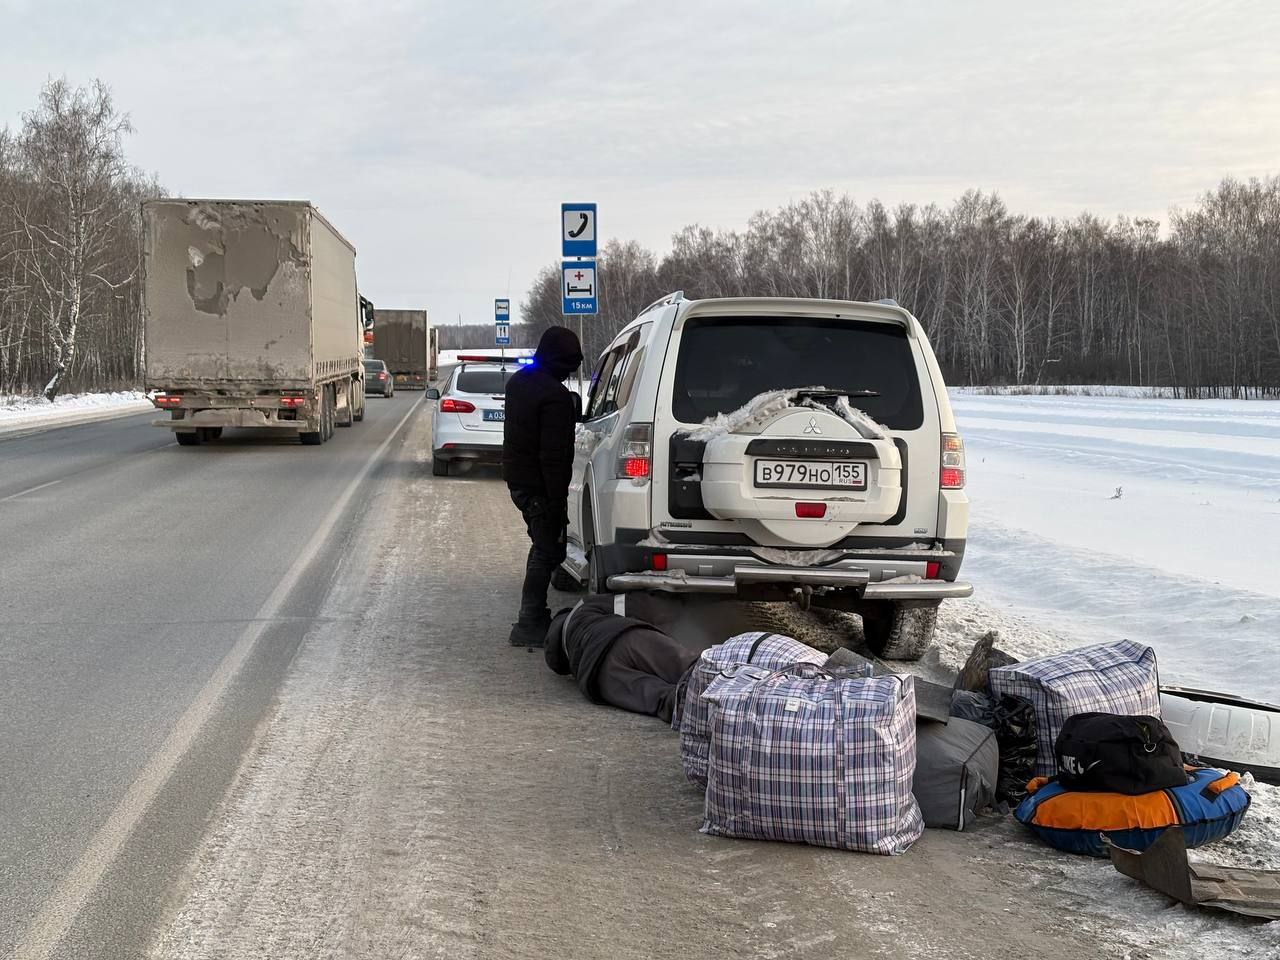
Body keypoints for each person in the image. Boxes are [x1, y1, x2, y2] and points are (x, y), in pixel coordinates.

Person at [502, 325, 584, 647]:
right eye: (568, 366)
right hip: (541, 486)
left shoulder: (518, 383)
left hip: (519, 481)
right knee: (547, 549)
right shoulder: (555, 397)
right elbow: (554, 456)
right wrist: (556, 499)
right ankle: (529, 622)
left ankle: (533, 617)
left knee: (542, 544)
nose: (568, 374)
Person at [544, 596, 707, 722]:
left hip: (599, 673)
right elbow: (637, 605)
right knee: (690, 667)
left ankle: (708, 716)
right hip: (622, 637)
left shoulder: (574, 663)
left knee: (664, 699)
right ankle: (720, 687)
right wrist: (680, 609)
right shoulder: (582, 608)